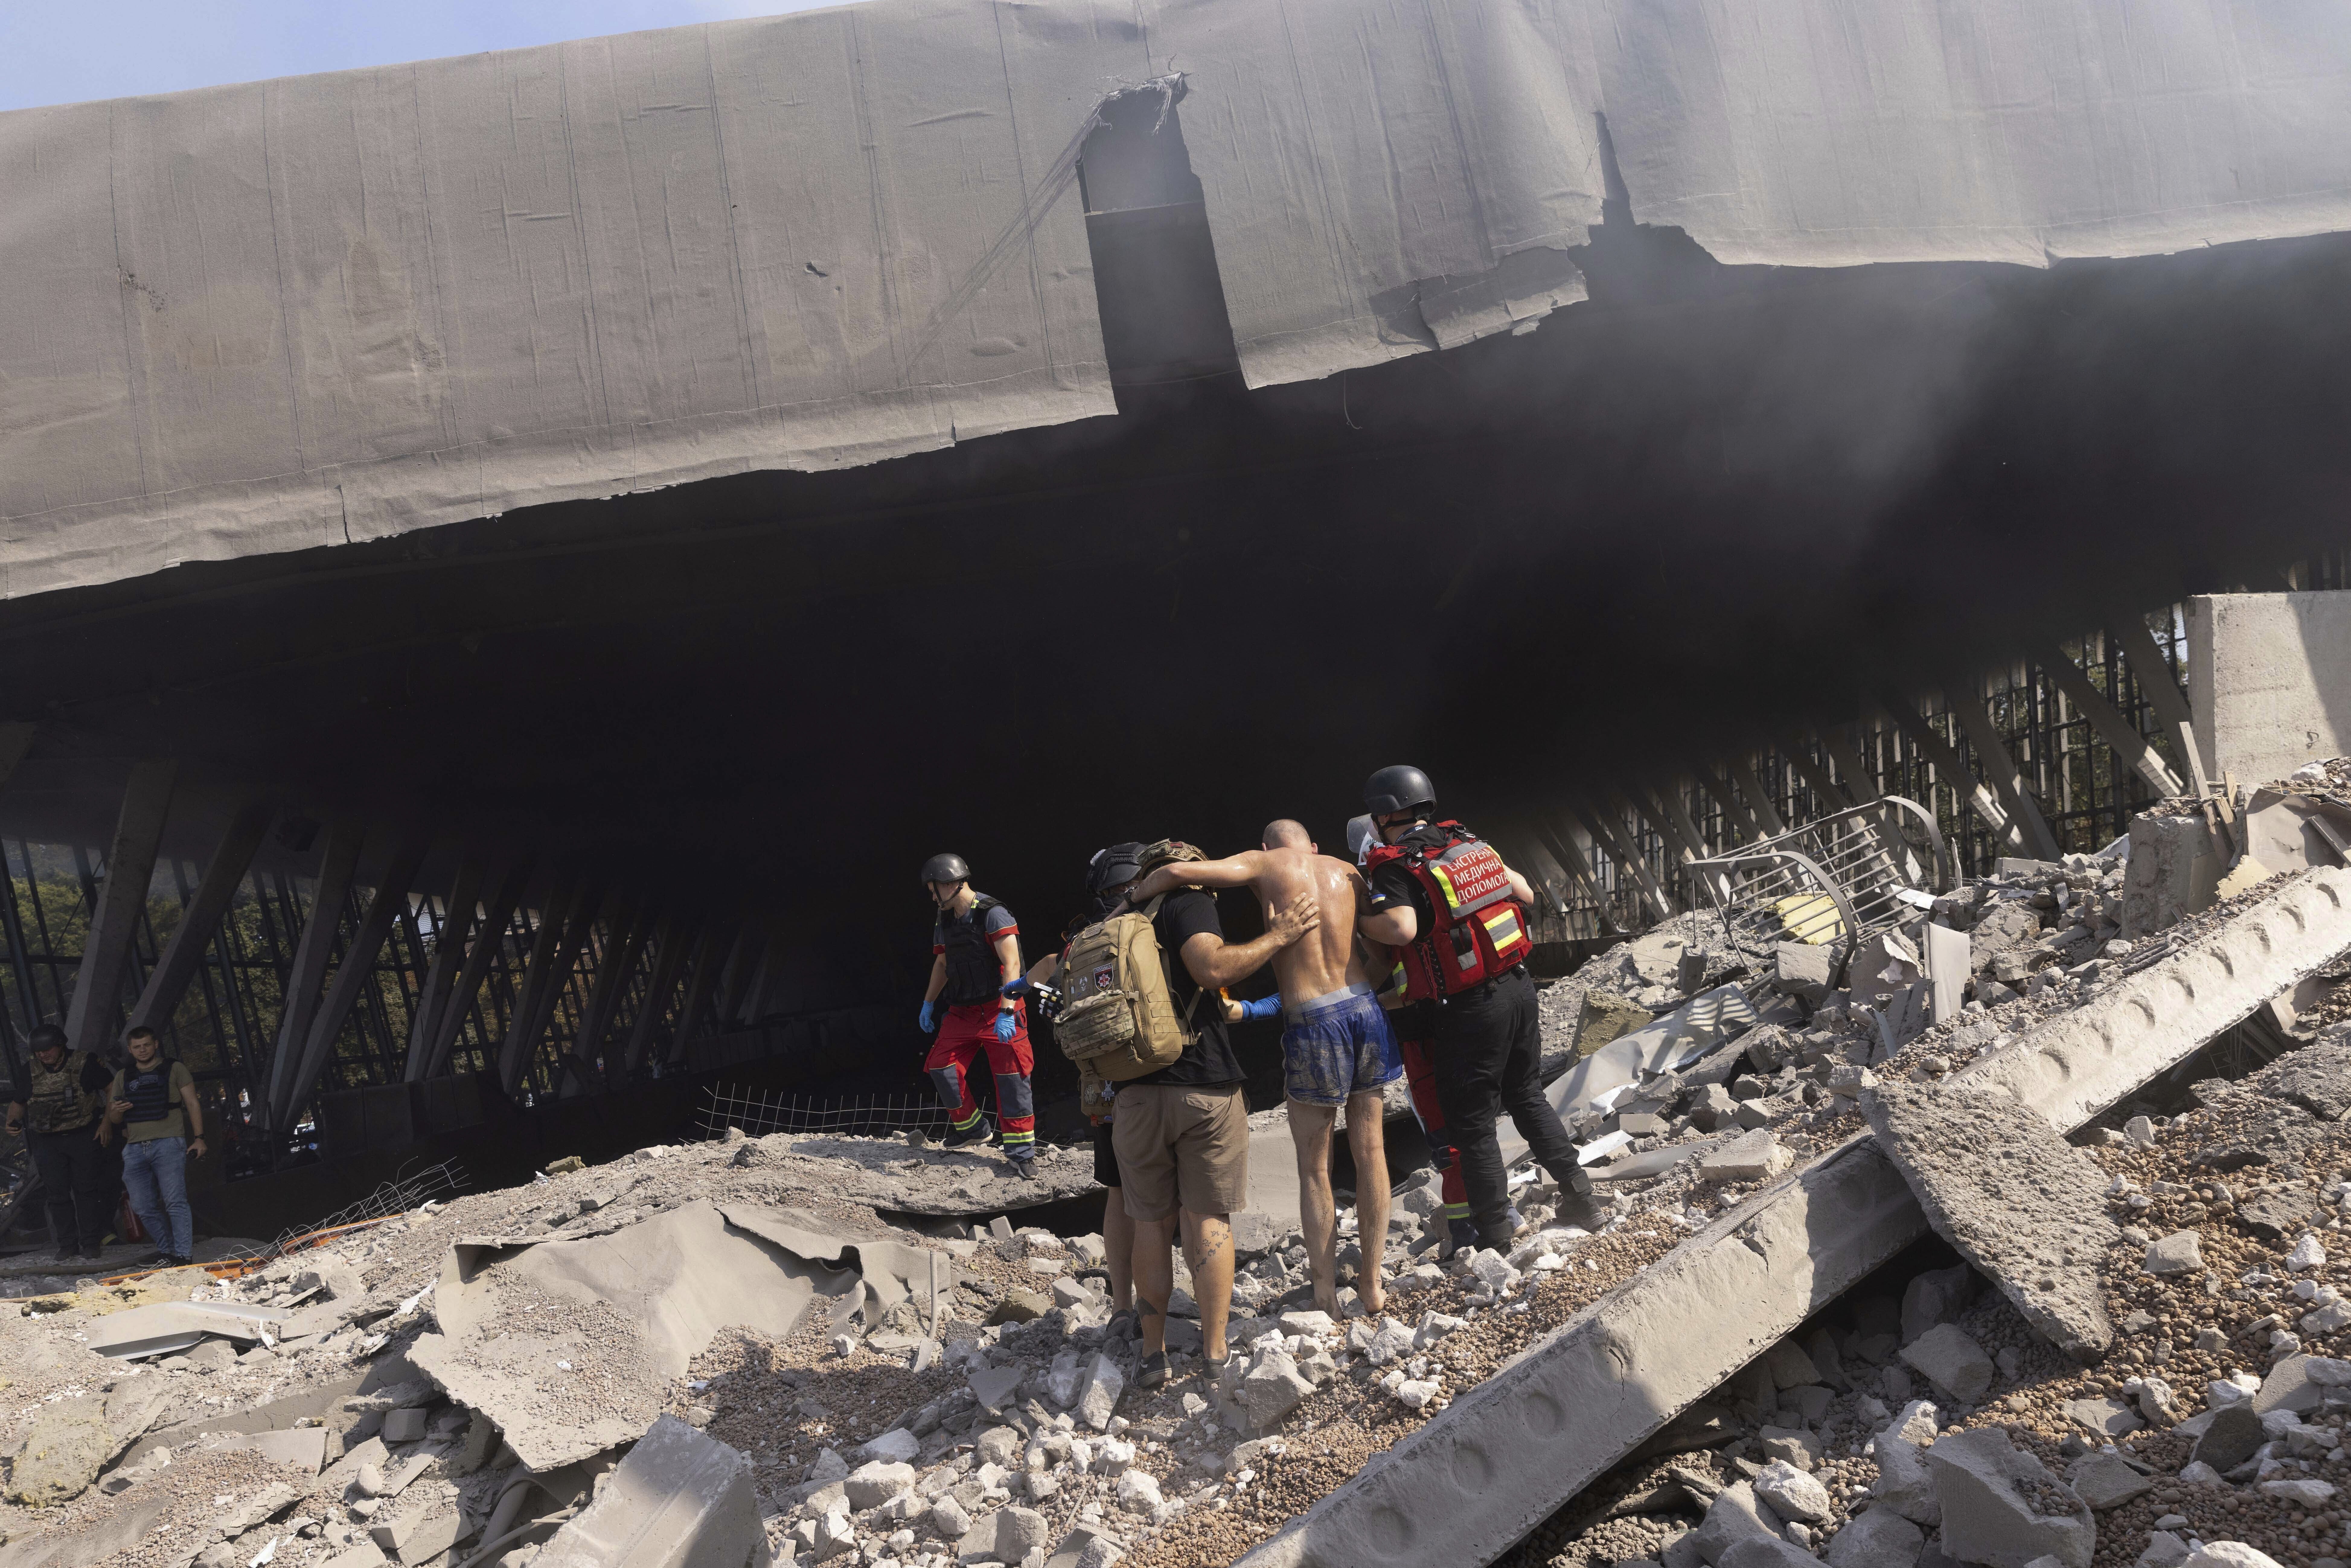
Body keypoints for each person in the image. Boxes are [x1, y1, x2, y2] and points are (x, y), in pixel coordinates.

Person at [1123, 819, 1399, 1315]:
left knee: (1315, 1167)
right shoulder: (1345, 872)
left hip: (1313, 1019)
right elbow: (1381, 954)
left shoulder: (1264, 862)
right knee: (1372, 1151)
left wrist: (1133, 894)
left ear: (1268, 846)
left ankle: (1323, 1293)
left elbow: (1175, 875)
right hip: (1363, 1009)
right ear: (1312, 846)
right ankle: (1373, 1284)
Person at [1355, 766, 1599, 1253]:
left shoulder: (1395, 866)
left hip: (1470, 1008)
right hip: (1518, 988)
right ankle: (1582, 1199)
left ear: (1383, 816)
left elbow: (1402, 930)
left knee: (1471, 1125)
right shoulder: (1466, 844)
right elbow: (1525, 893)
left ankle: (1496, 1236)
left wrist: (1359, 922)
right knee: (1527, 1095)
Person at [1104, 842, 1317, 1388]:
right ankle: (1214, 1350)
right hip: (1201, 1087)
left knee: (1150, 1223)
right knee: (1207, 1219)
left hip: (1130, 1095)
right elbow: (1211, 966)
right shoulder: (1187, 904)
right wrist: (1280, 935)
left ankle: (1153, 1353)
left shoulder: (1118, 921)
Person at [1348, 814, 1475, 1255]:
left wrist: (1363, 1001)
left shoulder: (1391, 901)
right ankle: (1493, 1213)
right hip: (1464, 1018)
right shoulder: (1433, 881)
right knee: (1474, 1126)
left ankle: (1467, 1233)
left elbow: (1396, 971)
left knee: (1444, 1135)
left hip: (1425, 1034)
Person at [917, 853, 1037, 1175]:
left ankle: (1022, 1151)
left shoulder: (993, 913)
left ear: (950, 884)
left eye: (934, 890)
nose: (932, 897)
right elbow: (943, 964)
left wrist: (1008, 1010)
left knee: (1012, 1078)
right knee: (941, 1066)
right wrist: (928, 1003)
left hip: (1000, 1007)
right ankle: (973, 1129)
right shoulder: (944, 919)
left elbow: (1012, 963)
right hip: (962, 1011)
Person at [5, 1024, 117, 1260]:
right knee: (57, 1194)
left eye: (47, 1050)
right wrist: (12, 1121)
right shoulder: (31, 1070)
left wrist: (107, 1122)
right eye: (38, 1051)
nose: (42, 1055)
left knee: (87, 1190)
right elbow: (19, 1101)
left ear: (60, 1045)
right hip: (48, 1141)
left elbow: (112, 1088)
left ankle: (91, 1242)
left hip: (83, 1135)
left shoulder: (85, 1063)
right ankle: (67, 1245)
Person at [100, 1025, 206, 1266]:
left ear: (156, 1044)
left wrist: (199, 1137)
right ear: (130, 1049)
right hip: (135, 1147)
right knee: (141, 1205)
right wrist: (115, 1111)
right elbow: (116, 1120)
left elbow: (192, 1103)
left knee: (175, 1201)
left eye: (147, 1044)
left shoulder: (174, 1068)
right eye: (137, 1047)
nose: (142, 1050)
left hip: (169, 1143)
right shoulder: (123, 1076)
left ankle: (183, 1256)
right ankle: (167, 1251)